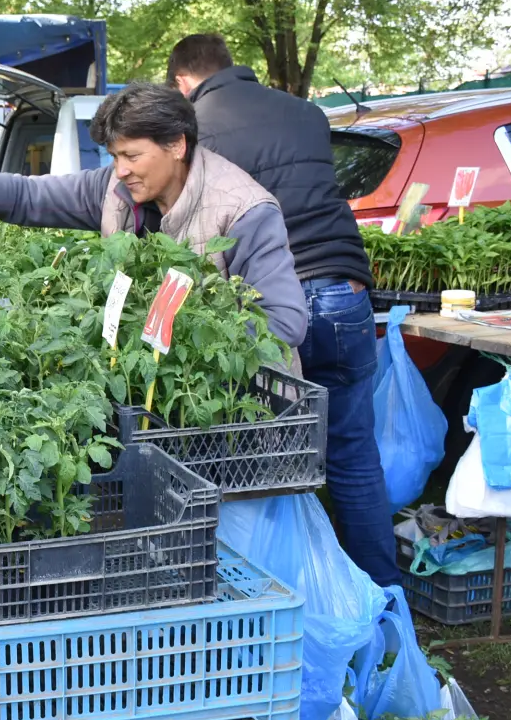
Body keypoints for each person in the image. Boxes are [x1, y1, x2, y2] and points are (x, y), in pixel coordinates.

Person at [164, 33, 395, 585]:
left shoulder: (195, 132)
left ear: (181, 82)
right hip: (344, 290)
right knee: (353, 452)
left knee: (261, 462)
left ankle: (288, 598)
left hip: (269, 304)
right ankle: (386, 600)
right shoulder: (307, 112)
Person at [0, 82, 307, 347]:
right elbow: (31, 197)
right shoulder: (114, 189)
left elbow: (285, 322)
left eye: (132, 156)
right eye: (114, 157)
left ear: (177, 145)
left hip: (242, 419)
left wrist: (189, 335)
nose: (121, 170)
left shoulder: (243, 210)